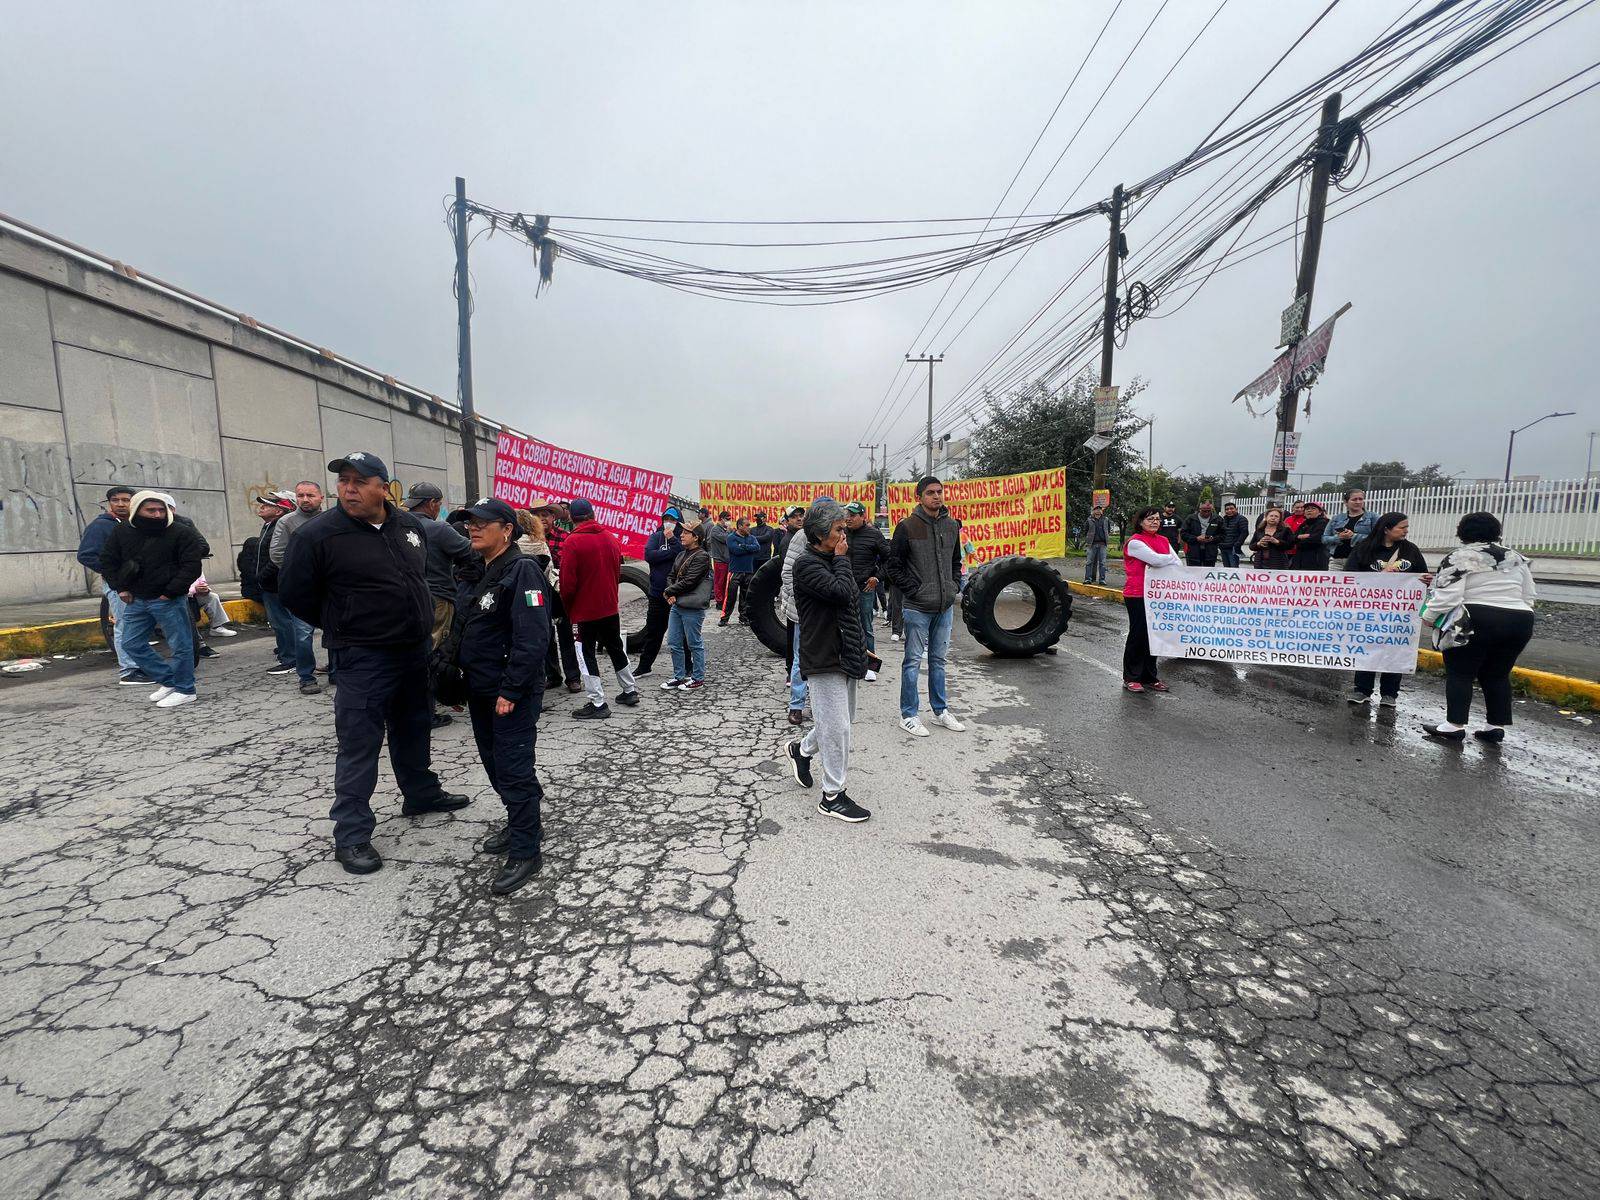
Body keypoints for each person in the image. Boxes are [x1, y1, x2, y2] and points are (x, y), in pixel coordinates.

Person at [279, 452, 469, 875]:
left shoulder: (409, 525)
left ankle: (420, 793)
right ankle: (351, 834)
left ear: (383, 486)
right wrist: (344, 621)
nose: (349, 488)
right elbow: (295, 593)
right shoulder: (319, 535)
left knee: (414, 727)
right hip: (362, 655)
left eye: (360, 480)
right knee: (359, 743)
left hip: (412, 650)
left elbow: (419, 576)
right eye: (344, 480)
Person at [454, 498, 550, 895]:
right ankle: (519, 823)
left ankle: (527, 849)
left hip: (509, 693)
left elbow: (533, 636)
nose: (473, 529)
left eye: (482, 523)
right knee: (494, 763)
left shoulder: (522, 570)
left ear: (506, 529)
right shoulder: (482, 570)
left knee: (513, 767)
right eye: (469, 523)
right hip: (480, 689)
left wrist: (511, 689)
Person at [1419, 512, 1538, 743]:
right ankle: (1495, 726)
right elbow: (1529, 594)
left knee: (1460, 672)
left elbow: (1449, 596)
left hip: (1477, 618)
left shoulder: (1459, 557)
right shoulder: (1516, 557)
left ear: (1462, 532)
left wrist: (1429, 616)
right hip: (1520, 619)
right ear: (1497, 531)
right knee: (1498, 674)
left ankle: (1454, 725)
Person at [787, 499, 871, 823]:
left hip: (844, 650)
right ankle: (832, 796)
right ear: (821, 534)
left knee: (841, 719)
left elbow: (849, 597)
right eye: (838, 530)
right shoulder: (807, 564)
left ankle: (801, 751)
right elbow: (843, 593)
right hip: (822, 655)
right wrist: (842, 560)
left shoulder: (831, 558)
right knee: (836, 728)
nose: (843, 535)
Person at [97, 490, 204, 708]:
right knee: (130, 643)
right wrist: (121, 588)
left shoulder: (181, 532)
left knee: (180, 645)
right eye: (150, 510)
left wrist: (170, 592)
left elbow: (191, 565)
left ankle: (186, 689)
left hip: (168, 600)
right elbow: (108, 561)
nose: (157, 515)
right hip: (136, 599)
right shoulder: (122, 531)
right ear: (137, 510)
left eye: (160, 510)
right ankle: (170, 680)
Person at [886, 475, 966, 737]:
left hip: (944, 607)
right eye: (930, 492)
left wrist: (954, 586)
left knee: (938, 661)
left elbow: (956, 561)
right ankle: (908, 715)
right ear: (918, 496)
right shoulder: (908, 527)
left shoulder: (952, 525)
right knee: (911, 662)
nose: (936, 496)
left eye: (939, 492)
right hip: (917, 607)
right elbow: (893, 567)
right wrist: (916, 591)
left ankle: (940, 711)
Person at [559, 497, 640, 719]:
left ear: (572, 518)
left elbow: (567, 584)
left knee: (586, 655)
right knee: (616, 648)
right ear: (593, 514)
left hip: (584, 611)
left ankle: (597, 703)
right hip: (609, 607)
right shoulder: (610, 538)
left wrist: (568, 608)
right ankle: (629, 690)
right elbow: (617, 573)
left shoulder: (572, 542)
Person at [403, 481, 475, 727]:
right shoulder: (439, 529)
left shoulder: (398, 526)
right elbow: (470, 553)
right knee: (433, 653)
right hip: (437, 598)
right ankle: (426, 710)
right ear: (432, 504)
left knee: (410, 651)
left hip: (404, 598)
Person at [1343, 512, 1431, 708]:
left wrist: (1425, 580)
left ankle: (1390, 694)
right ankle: (1362, 690)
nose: (1406, 531)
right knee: (1368, 647)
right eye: (1402, 527)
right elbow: (1349, 577)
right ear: (1386, 529)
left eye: (1406, 527)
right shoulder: (1364, 548)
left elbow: (1423, 574)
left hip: (1400, 612)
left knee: (1395, 649)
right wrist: (1379, 577)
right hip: (1370, 610)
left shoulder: (1411, 550)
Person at [76, 484, 147, 684]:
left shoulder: (136, 523)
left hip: (141, 583)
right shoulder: (101, 526)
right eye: (116, 500)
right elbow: (86, 555)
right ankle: (129, 670)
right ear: (109, 503)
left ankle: (141, 664)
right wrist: (115, 572)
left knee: (138, 624)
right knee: (124, 624)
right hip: (119, 584)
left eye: (126, 500)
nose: (121, 504)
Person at [266, 480, 326, 692]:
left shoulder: (334, 519)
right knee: (303, 634)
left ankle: (337, 670)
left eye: (310, 495)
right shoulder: (287, 522)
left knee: (337, 630)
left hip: (331, 587)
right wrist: (302, 574)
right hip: (303, 589)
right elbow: (277, 554)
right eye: (300, 495)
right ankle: (306, 676)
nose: (305, 500)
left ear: (321, 498)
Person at [1121, 505, 1182, 693]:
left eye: (1157, 518)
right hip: (1137, 593)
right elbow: (1156, 560)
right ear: (1140, 522)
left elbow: (1177, 562)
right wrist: (1166, 559)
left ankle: (1149, 676)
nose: (1155, 522)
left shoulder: (1163, 539)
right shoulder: (1135, 542)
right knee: (1138, 635)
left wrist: (1165, 559)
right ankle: (1131, 677)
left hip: (1159, 595)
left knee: (1154, 635)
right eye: (1150, 519)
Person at [633, 506, 684, 678]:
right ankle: (644, 666)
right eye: (666, 519)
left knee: (683, 634)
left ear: (678, 522)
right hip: (657, 593)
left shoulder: (682, 538)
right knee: (654, 632)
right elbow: (649, 556)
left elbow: (682, 555)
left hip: (678, 595)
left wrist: (673, 542)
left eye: (673, 520)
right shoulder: (656, 536)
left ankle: (688, 667)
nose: (669, 523)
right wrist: (670, 553)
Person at [663, 521, 713, 690]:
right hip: (677, 605)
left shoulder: (702, 556)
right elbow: (671, 575)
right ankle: (679, 676)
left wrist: (670, 591)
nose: (681, 535)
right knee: (673, 642)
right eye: (682, 532)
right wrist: (670, 592)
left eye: (686, 532)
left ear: (696, 537)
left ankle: (698, 677)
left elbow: (690, 581)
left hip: (692, 606)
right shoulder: (680, 555)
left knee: (694, 643)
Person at [843, 500, 889, 677]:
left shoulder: (874, 535)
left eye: (853, 515)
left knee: (865, 626)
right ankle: (847, 663)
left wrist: (877, 577)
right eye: (847, 515)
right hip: (843, 587)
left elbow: (889, 559)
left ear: (863, 516)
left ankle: (870, 667)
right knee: (843, 626)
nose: (848, 519)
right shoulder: (841, 533)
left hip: (864, 588)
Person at [779, 509, 811, 726]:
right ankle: (797, 706)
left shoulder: (839, 536)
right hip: (803, 610)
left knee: (828, 660)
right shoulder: (802, 537)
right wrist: (799, 599)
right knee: (800, 658)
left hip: (829, 610)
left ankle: (822, 705)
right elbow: (787, 572)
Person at [720, 517, 761, 627]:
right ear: (739, 526)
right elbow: (735, 551)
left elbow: (757, 548)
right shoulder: (731, 537)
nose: (749, 527)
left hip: (748, 571)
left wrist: (743, 546)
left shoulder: (752, 537)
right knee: (730, 596)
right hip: (735, 571)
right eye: (747, 525)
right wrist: (748, 548)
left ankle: (743, 617)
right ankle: (724, 618)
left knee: (745, 596)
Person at [1325, 489, 1377, 567]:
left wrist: (1354, 536)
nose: (1358, 502)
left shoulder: (1373, 517)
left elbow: (1377, 538)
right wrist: (1338, 537)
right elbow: (1324, 538)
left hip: (1361, 560)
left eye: (1361, 499)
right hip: (1336, 561)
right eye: (1354, 499)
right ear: (1346, 502)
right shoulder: (1336, 518)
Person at [1180, 500, 1223, 567]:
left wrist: (1213, 539)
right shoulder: (1190, 518)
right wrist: (1196, 538)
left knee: (1208, 573)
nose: (1206, 513)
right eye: (1204, 511)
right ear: (1199, 509)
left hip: (1210, 553)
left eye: (1209, 510)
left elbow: (1223, 535)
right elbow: (1183, 534)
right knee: (1193, 574)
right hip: (1193, 553)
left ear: (1212, 509)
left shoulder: (1218, 519)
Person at [1291, 500, 1331, 570]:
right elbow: (1292, 538)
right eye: (1307, 509)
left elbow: (1317, 539)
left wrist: (1300, 538)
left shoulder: (1323, 522)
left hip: (1316, 560)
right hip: (1300, 560)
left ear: (1320, 512)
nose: (1309, 510)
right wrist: (1303, 536)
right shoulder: (1304, 524)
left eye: (1313, 508)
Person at [706, 511, 733, 609]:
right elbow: (727, 539)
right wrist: (730, 531)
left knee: (726, 582)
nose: (729, 521)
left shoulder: (725, 529)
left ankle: (724, 600)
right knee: (719, 582)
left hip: (727, 559)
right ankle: (719, 602)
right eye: (728, 519)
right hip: (719, 560)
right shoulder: (715, 529)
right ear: (722, 519)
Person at [1082, 504, 1111, 585]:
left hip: (1103, 544)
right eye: (1096, 509)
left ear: (1102, 511)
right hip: (1092, 544)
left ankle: (1102, 580)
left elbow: (1108, 530)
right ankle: (1088, 579)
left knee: (1103, 563)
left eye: (1099, 509)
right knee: (1089, 562)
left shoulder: (1106, 520)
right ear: (1093, 511)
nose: (1098, 511)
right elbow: (1086, 531)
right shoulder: (1089, 520)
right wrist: (1088, 540)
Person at [1218, 501, 1250, 569]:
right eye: (1227, 509)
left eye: (1231, 508)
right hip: (1223, 547)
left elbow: (1244, 533)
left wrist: (1237, 545)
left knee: (1234, 569)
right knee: (1226, 568)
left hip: (1233, 549)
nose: (1229, 510)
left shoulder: (1241, 519)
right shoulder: (1223, 519)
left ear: (1236, 509)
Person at [1283, 500, 1307, 565]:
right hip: (1286, 550)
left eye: (1302, 507)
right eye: (1297, 507)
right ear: (1293, 508)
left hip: (1299, 551)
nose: (1299, 509)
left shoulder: (1306, 520)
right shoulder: (1288, 519)